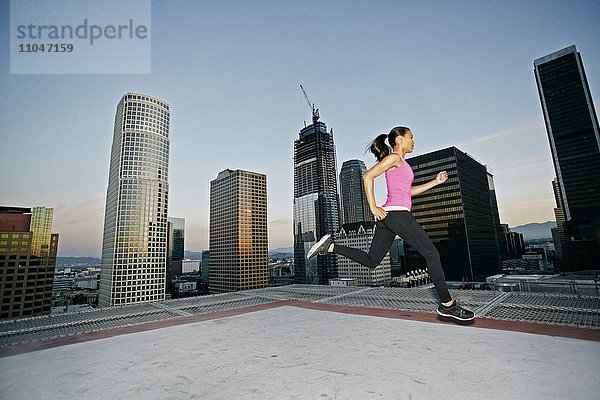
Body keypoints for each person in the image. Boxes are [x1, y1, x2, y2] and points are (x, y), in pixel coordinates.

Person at [308, 126, 474, 321]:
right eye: (411, 137)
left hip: (390, 217)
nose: (413, 141)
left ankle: (331, 246)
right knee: (432, 254)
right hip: (398, 216)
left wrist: (435, 182)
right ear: (400, 140)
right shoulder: (394, 158)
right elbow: (367, 176)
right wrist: (373, 207)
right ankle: (448, 305)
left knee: (372, 261)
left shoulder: (402, 163)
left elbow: (408, 192)